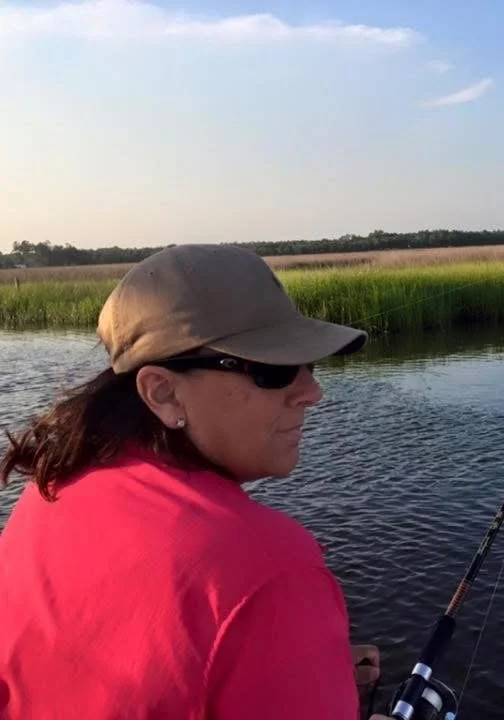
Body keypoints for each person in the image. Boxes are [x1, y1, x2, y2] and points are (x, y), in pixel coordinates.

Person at [0, 244, 393, 719]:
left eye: (310, 365)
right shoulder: (271, 569)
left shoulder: (52, 489)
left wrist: (291, 661)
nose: (312, 392)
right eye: (273, 370)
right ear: (162, 392)